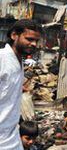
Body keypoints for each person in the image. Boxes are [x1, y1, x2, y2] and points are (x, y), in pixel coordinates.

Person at [0, 20, 42, 150]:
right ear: (14, 35)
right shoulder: (2, 58)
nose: (34, 44)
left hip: (11, 135)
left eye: (36, 41)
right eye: (29, 39)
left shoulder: (19, 61)